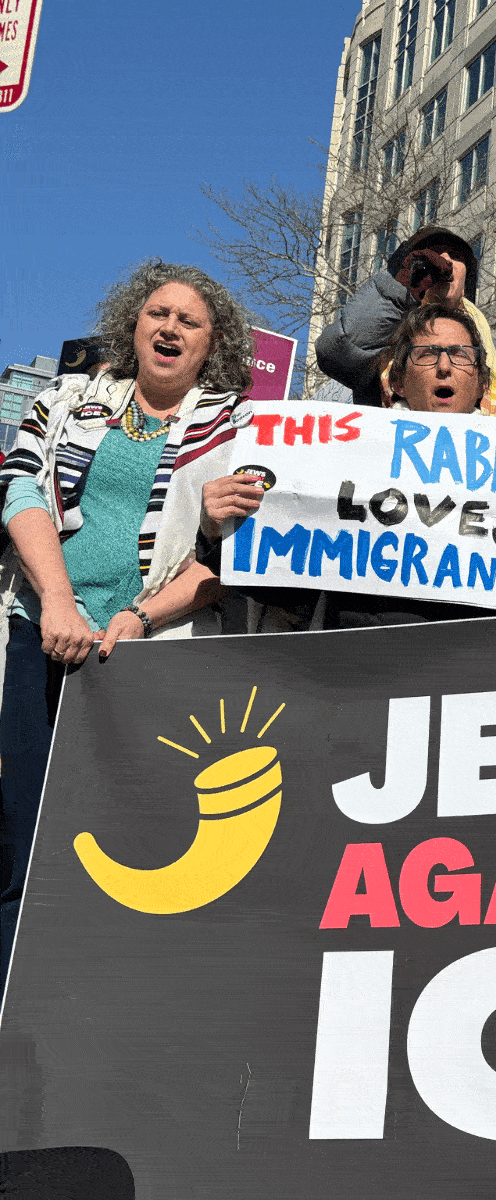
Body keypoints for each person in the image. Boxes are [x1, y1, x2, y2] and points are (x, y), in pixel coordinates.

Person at [0, 259, 253, 987]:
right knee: (22, 831)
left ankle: (99, 1000)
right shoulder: (68, 398)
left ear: (214, 345)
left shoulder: (233, 426)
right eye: (157, 314)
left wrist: (139, 616)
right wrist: (56, 601)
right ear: (132, 324)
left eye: (190, 321)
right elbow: (20, 490)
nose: (170, 327)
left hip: (150, 657)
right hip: (37, 635)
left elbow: (228, 564)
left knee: (128, 836)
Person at [207, 303, 496, 629]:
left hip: (473, 677)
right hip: (360, 678)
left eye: (461, 355)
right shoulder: (342, 458)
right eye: (427, 354)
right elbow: (276, 584)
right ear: (400, 382)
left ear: (480, 384)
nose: (444, 366)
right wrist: (224, 525)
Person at [316, 225, 496, 416]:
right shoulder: (388, 328)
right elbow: (337, 351)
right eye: (434, 254)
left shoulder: (488, 347)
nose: (446, 261)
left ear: (466, 284)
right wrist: (401, 289)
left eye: (456, 256)